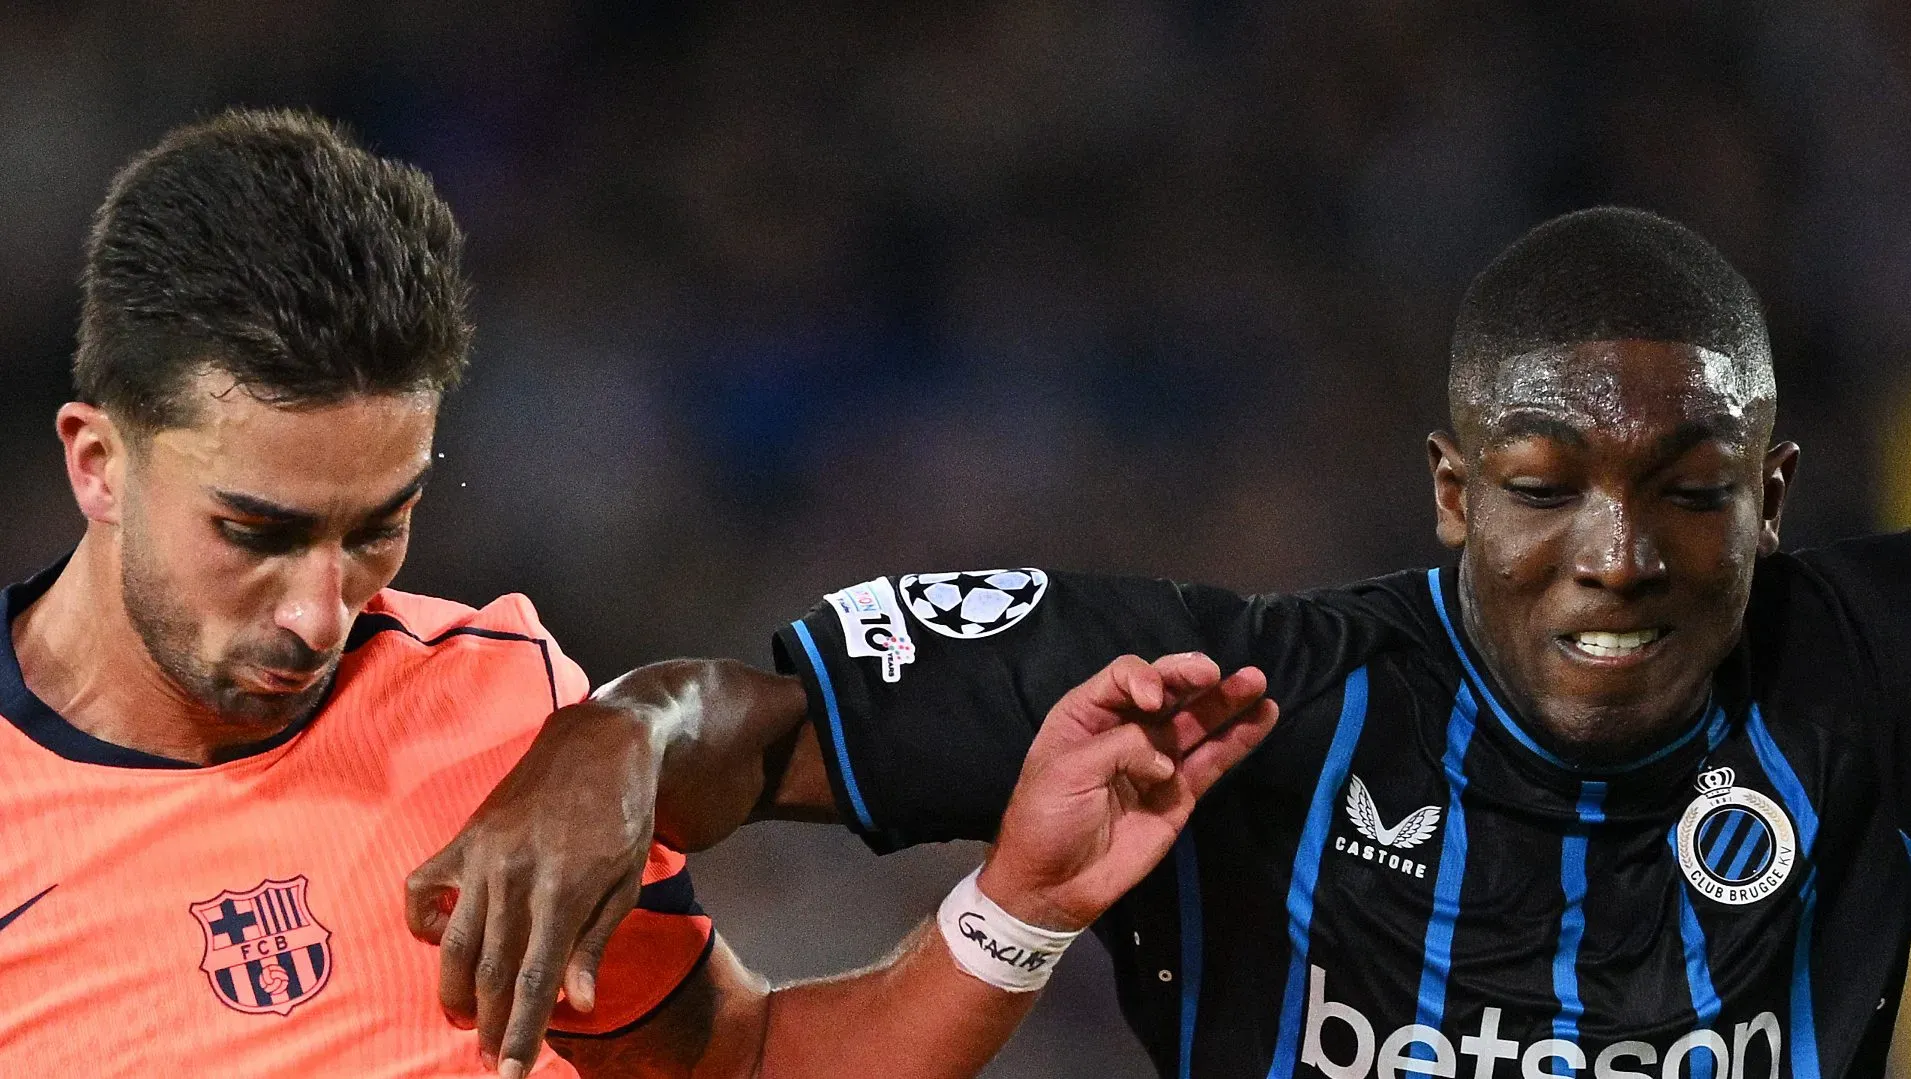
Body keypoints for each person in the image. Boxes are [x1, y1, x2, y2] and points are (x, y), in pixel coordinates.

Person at [415, 208, 1911, 1078]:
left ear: (1771, 495)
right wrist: (618, 732)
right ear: (1453, 493)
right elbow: (765, 722)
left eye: (1692, 491)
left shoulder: (1857, 674)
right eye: (1539, 487)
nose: (1619, 556)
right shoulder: (1239, 702)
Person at [0, 107, 1279, 1078]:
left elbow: (740, 1063)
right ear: (97, 461)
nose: (318, 612)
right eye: (254, 532)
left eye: (377, 529)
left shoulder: (496, 708)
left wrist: (1018, 908)